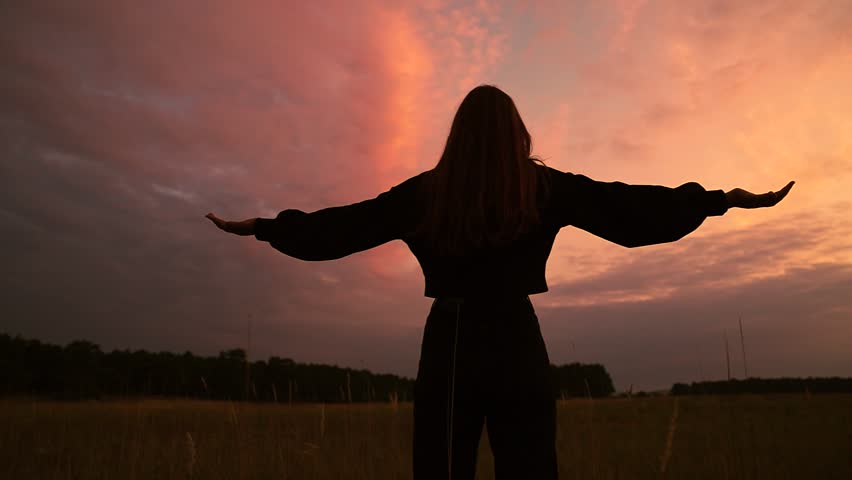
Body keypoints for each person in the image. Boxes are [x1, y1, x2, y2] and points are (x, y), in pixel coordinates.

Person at [206, 84, 794, 479]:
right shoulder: (540, 187)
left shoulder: (428, 192)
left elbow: (341, 228)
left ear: (457, 134)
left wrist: (266, 227)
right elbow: (630, 209)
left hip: (452, 340)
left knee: (442, 467)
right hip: (516, 337)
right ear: (517, 130)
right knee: (531, 467)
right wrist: (716, 200)